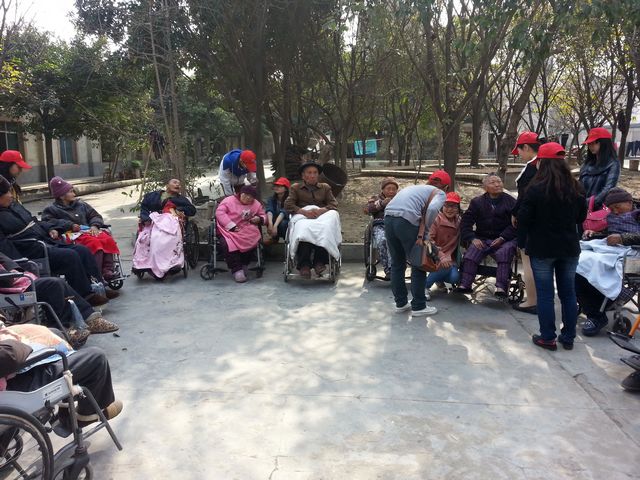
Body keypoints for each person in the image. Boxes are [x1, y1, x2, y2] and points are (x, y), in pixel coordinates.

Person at [0, 176, 112, 307]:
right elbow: (4, 246)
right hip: (31, 250)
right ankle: (86, 295)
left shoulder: (15, 206)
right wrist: (19, 265)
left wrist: (50, 229)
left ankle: (99, 287)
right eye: (7, 192)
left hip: (44, 240)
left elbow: (35, 222)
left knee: (82, 250)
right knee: (70, 256)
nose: (11, 195)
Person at [517, 142, 587, 350]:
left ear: (542, 163)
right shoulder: (576, 188)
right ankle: (569, 337)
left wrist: (525, 237)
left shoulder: (535, 189)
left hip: (542, 249)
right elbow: (580, 217)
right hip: (569, 248)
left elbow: (524, 218)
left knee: (546, 295)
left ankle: (547, 337)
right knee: (568, 293)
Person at [0, 323, 123, 428]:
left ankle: (65, 410)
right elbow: (9, 355)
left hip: (9, 372)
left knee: (55, 333)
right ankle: (86, 416)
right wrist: (12, 338)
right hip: (14, 389)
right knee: (97, 357)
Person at [577, 188, 639, 337]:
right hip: (613, 250)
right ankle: (592, 310)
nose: (615, 212)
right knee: (576, 260)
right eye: (611, 209)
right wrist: (595, 234)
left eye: (617, 207)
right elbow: (610, 234)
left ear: (629, 203)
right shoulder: (612, 216)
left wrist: (623, 238)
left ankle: (596, 314)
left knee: (595, 263)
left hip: (633, 254)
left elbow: (621, 236)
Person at [384, 179, 446, 317]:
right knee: (418, 262)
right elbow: (432, 209)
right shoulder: (440, 193)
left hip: (388, 218)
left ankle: (401, 303)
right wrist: (426, 231)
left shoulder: (415, 189)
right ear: (446, 187)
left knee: (397, 263)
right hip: (406, 220)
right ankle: (419, 306)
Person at [42, 176, 121, 280]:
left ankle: (107, 270)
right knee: (95, 243)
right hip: (71, 236)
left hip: (87, 231)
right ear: (61, 196)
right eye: (71, 192)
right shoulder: (51, 209)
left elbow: (95, 215)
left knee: (107, 239)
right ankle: (95, 274)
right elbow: (48, 222)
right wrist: (69, 225)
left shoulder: (81, 204)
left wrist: (94, 225)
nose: (74, 194)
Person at [456, 174, 517, 297]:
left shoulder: (511, 201)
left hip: (505, 239)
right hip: (482, 237)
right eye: (492, 182)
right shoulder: (477, 202)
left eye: (499, 181)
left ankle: (501, 287)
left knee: (504, 253)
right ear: (485, 187)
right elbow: (466, 222)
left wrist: (502, 238)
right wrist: (472, 238)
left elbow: (515, 224)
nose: (497, 184)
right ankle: (465, 284)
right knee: (471, 253)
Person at [284, 161, 340, 278]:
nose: (313, 175)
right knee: (303, 230)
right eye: (309, 173)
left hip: (321, 216)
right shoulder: (296, 188)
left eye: (315, 173)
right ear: (303, 175)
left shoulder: (325, 187)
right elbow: (288, 205)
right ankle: (304, 265)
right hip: (303, 216)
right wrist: (304, 212)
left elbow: (333, 204)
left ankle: (319, 262)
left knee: (324, 229)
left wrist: (321, 210)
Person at [133, 178, 197, 279]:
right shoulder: (153, 196)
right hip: (153, 221)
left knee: (166, 237)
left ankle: (171, 263)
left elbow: (192, 210)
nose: (178, 185)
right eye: (175, 182)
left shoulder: (181, 199)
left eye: (179, 184)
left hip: (170, 222)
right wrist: (145, 218)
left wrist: (178, 209)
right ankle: (143, 263)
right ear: (167, 185)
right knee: (145, 238)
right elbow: (144, 208)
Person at [511, 131, 542, 314]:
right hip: (547, 223)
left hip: (530, 222)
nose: (520, 155)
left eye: (520, 151)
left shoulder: (532, 168)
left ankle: (532, 301)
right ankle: (541, 299)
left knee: (528, 262)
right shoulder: (551, 166)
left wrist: (515, 213)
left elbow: (524, 197)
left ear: (527, 147)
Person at [215, 185, 266, 283]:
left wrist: (259, 219)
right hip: (227, 228)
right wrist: (231, 225)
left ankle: (244, 264)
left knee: (252, 238)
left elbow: (263, 214)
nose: (248, 198)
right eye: (245, 195)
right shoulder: (229, 200)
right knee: (228, 244)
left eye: (251, 196)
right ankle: (237, 269)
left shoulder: (256, 204)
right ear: (240, 193)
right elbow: (220, 213)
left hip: (246, 227)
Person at [425, 191, 462, 297]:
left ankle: (438, 278)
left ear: (458, 208)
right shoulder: (436, 219)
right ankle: (424, 287)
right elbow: (428, 240)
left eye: (453, 206)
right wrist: (441, 256)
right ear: (442, 206)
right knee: (445, 266)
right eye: (446, 205)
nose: (449, 209)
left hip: (450, 257)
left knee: (455, 277)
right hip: (433, 254)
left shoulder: (459, 220)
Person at [363, 177, 399, 279]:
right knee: (383, 240)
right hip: (380, 225)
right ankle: (388, 269)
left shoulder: (400, 198)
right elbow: (367, 209)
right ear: (383, 189)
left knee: (394, 241)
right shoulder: (375, 198)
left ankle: (394, 268)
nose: (391, 191)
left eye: (394, 189)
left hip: (396, 226)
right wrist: (382, 204)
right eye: (388, 189)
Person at [579, 127, 620, 209]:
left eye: (595, 143)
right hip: (581, 207)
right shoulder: (587, 164)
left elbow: (608, 188)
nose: (591, 146)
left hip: (599, 210)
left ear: (604, 143)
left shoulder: (613, 164)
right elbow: (579, 185)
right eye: (589, 143)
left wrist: (588, 203)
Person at [264, 177, 291, 245]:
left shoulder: (289, 199)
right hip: (276, 220)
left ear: (285, 189)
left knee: (283, 223)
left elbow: (283, 212)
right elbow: (269, 210)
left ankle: (287, 240)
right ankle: (274, 238)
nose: (277, 187)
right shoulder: (271, 199)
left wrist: (275, 225)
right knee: (268, 219)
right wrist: (270, 223)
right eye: (276, 186)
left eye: (280, 186)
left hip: (286, 221)